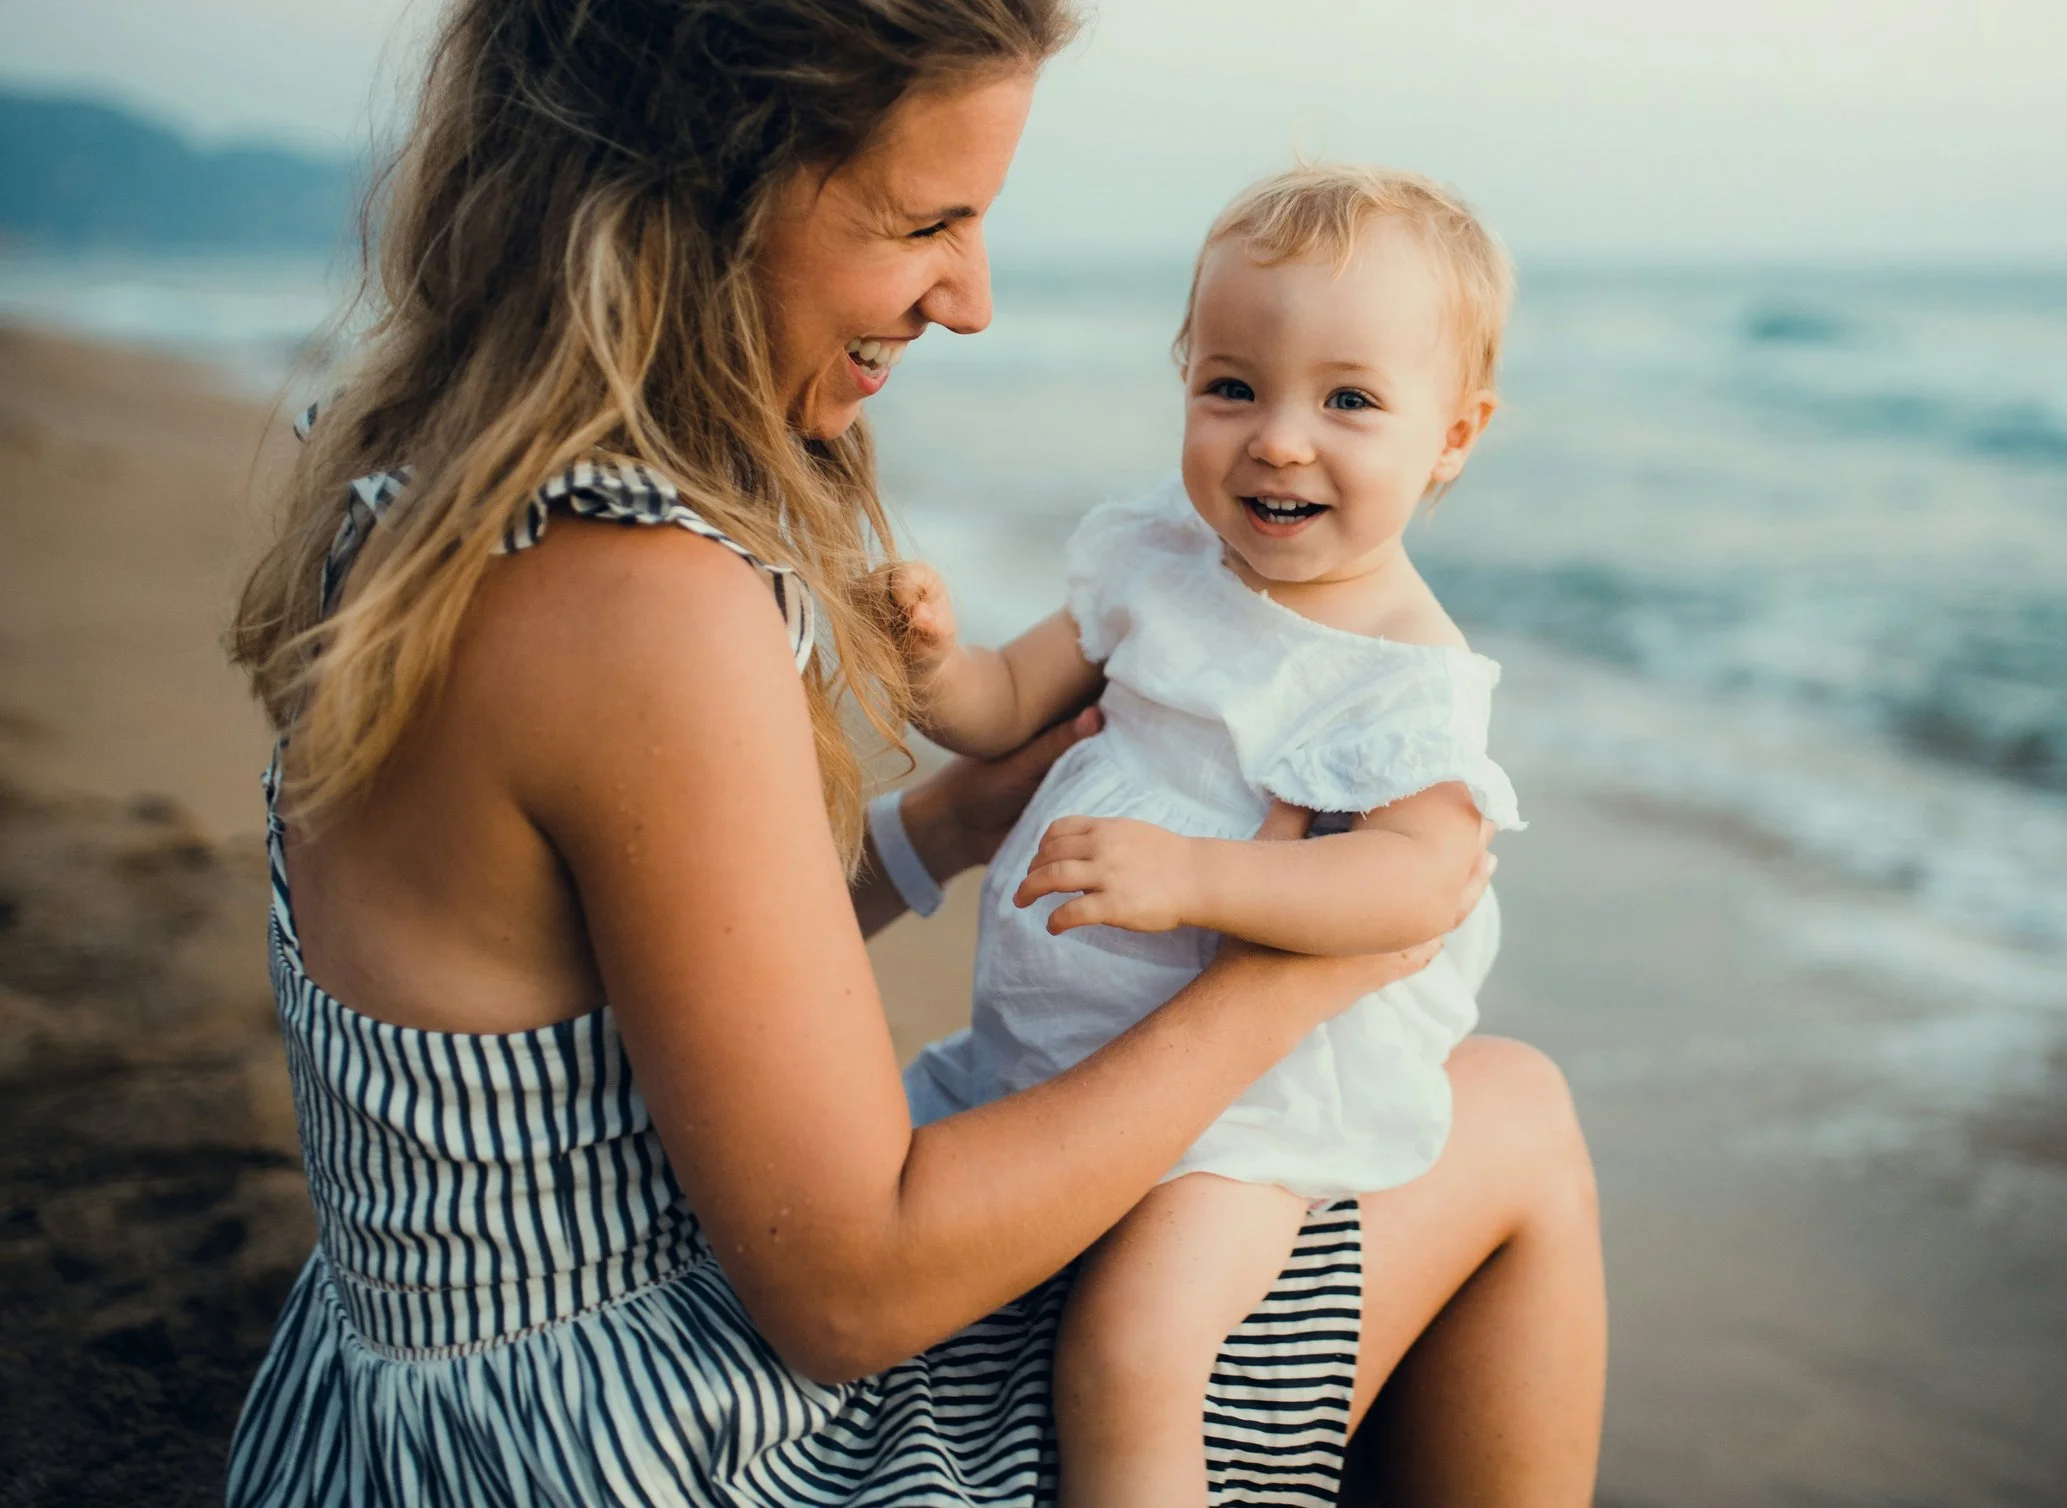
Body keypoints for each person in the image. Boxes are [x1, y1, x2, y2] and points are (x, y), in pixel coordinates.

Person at [222, 1, 1605, 1503]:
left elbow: (631, 968)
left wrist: (943, 825)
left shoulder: (428, 495)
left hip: (418, 1405)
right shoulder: (639, 606)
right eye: (926, 220)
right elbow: (850, 1293)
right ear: (698, 193)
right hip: (637, 1444)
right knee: (1512, 1115)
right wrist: (1297, 977)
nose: (973, 299)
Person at [890, 163, 1527, 1505]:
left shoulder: (1406, 671)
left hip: (1251, 1114)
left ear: (1453, 437)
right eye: (1232, 386)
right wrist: (935, 663)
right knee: (880, 1152)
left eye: (1349, 400)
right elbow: (1007, 704)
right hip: (1049, 1057)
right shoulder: (1158, 565)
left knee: (1135, 1347)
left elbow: (1418, 883)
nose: (1279, 439)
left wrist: (1195, 875)